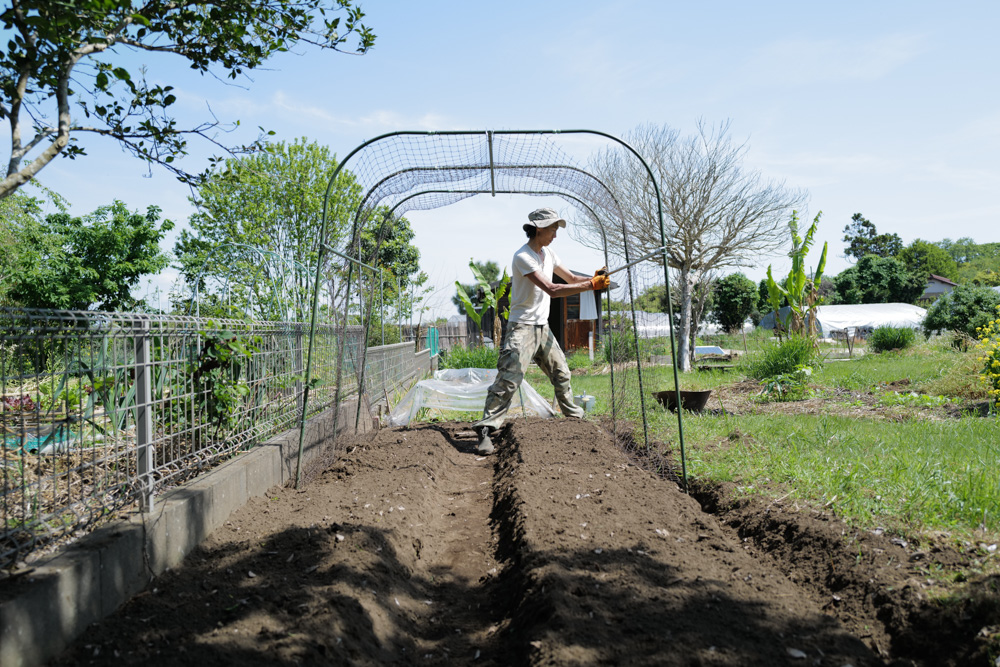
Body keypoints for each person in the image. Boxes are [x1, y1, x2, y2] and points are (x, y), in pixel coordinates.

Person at [474, 207, 611, 454]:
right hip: (522, 327)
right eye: (552, 230)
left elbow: (570, 279)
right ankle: (486, 429)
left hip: (543, 327)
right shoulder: (522, 256)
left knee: (562, 373)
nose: (555, 235)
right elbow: (552, 289)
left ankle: (575, 420)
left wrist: (592, 278)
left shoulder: (549, 253)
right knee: (508, 380)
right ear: (539, 229)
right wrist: (591, 285)